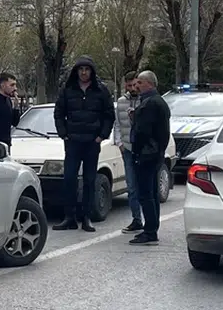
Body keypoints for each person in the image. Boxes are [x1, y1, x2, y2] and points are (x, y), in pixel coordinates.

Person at [52, 56, 115, 233]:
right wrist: (63, 134)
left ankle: (86, 217)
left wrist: (102, 135)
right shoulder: (68, 90)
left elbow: (109, 115)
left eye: (87, 69)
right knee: (69, 179)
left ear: (92, 71)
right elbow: (58, 113)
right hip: (72, 142)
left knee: (89, 180)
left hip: (91, 142)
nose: (84, 72)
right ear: (76, 71)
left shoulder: (101, 90)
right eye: (81, 69)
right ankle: (69, 217)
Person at [128, 70, 172, 246]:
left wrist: (137, 151)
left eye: (139, 83)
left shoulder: (150, 104)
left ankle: (150, 231)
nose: (136, 86)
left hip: (147, 154)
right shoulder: (157, 102)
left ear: (149, 84)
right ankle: (152, 228)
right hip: (155, 153)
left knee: (146, 193)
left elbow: (143, 131)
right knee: (152, 193)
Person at [113, 72, 143, 234]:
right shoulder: (121, 102)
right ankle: (136, 219)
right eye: (129, 85)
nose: (132, 88)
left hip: (143, 150)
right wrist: (119, 143)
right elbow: (117, 124)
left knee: (144, 186)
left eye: (135, 85)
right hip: (127, 149)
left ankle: (150, 221)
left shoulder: (145, 101)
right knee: (131, 186)